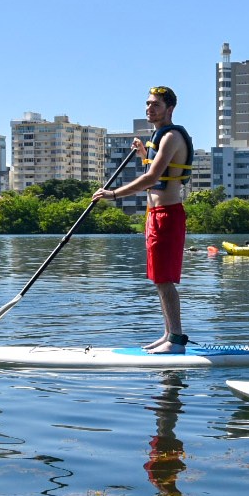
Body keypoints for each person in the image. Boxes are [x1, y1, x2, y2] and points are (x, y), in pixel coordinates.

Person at [91, 86, 194, 353]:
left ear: (169, 109)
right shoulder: (158, 138)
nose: (150, 109)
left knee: (164, 280)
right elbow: (155, 171)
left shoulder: (171, 136)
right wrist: (142, 155)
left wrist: (112, 194)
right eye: (148, 104)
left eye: (156, 105)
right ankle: (168, 333)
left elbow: (151, 178)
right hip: (155, 215)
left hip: (168, 216)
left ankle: (177, 339)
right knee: (158, 279)